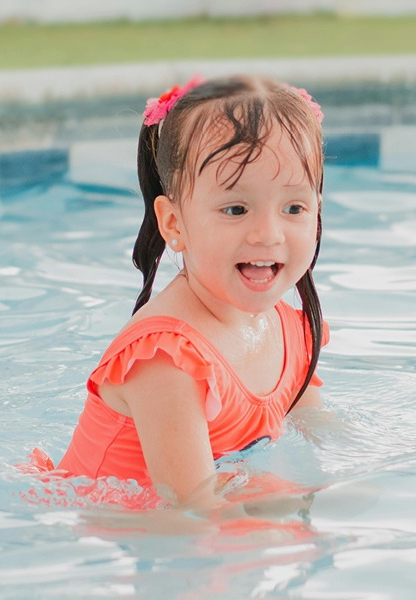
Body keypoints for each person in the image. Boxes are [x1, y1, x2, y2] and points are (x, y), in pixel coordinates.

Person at [30, 74, 329, 510]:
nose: (268, 234)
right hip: (108, 530)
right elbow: (191, 511)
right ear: (174, 224)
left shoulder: (292, 331)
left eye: (294, 208)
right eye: (235, 208)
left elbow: (320, 431)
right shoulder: (167, 360)